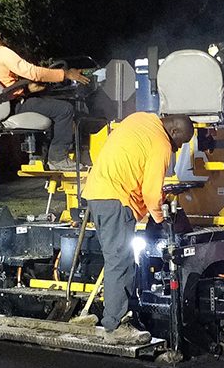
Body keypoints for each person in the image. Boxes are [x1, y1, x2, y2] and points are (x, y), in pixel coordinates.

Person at [82, 112, 195, 344]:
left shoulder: (140, 119)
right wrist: (164, 221)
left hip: (97, 193)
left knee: (117, 260)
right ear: (173, 132)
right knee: (120, 262)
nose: (177, 149)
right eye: (180, 143)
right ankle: (115, 326)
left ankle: (119, 315)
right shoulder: (161, 143)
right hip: (116, 200)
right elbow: (151, 194)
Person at [0, 25, 90, 170]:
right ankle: (58, 158)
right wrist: (65, 74)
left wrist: (26, 90)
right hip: (13, 106)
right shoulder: (1, 52)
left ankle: (40, 155)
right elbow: (32, 72)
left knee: (45, 108)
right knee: (65, 110)